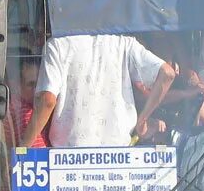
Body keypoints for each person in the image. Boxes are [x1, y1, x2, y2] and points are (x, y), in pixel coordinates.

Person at [21, 34, 176, 148]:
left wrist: (21, 151)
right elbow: (167, 73)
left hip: (67, 163)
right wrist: (142, 121)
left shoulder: (58, 45)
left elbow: (47, 101)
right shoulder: (124, 44)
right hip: (119, 160)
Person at [4, 57, 49, 147]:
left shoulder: (42, 106)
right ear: (18, 86)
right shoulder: (20, 111)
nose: (37, 89)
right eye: (31, 84)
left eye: (40, 84)